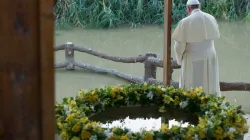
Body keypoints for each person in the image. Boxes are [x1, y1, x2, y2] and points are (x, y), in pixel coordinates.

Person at [172, 0, 221, 96]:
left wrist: (179, 60)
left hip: (193, 58)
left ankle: (194, 105)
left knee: (194, 85)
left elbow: (179, 47)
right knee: (209, 83)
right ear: (199, 6)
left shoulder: (185, 22)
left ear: (189, 8)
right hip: (210, 57)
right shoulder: (210, 18)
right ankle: (212, 105)